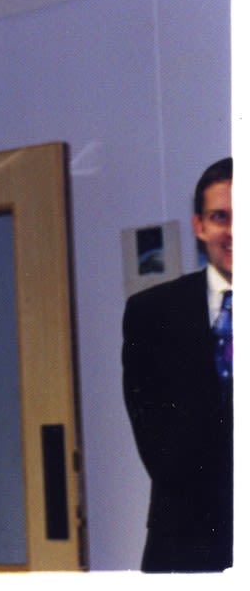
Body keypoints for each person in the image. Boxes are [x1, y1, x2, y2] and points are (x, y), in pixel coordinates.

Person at [123, 156, 232, 572]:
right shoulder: (153, 312)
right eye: (219, 216)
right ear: (199, 226)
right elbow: (154, 438)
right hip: (187, 543)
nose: (233, 231)